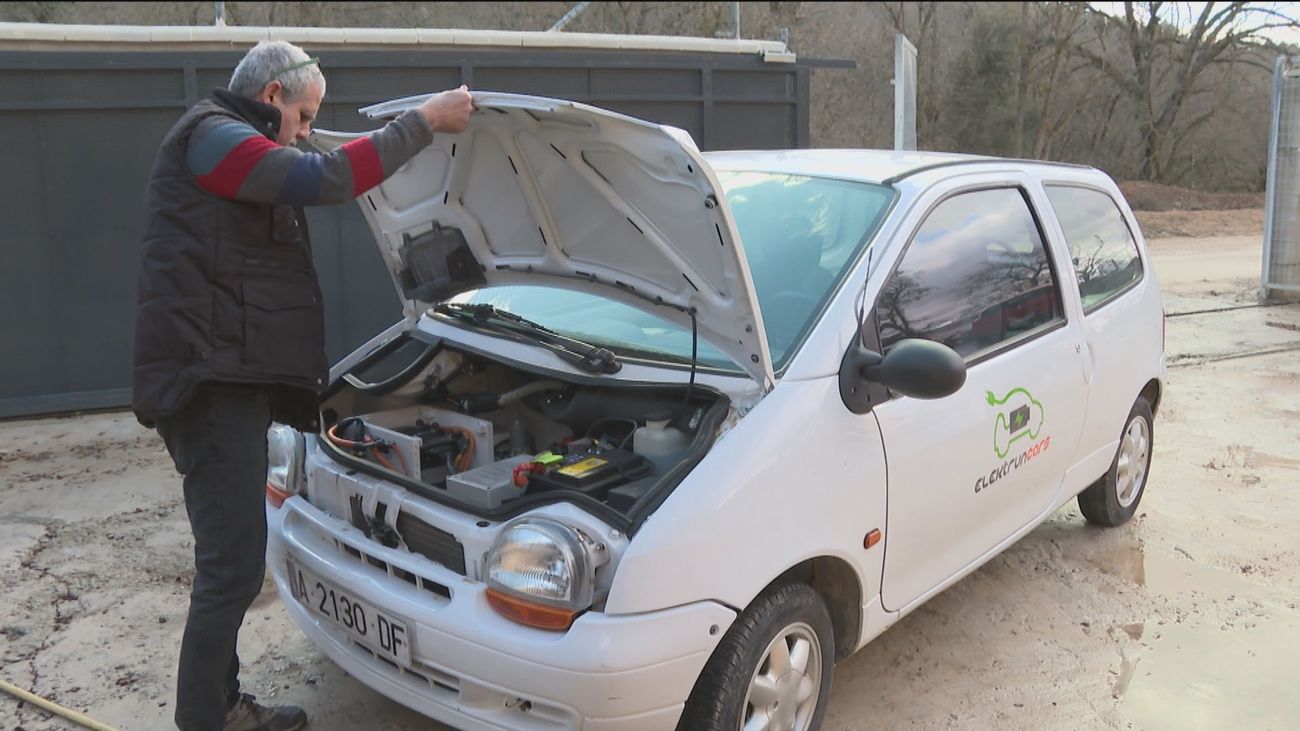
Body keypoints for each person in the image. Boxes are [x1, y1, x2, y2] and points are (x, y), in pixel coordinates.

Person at [131, 40, 474, 731]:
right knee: (229, 568)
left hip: (223, 379)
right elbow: (326, 179)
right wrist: (425, 122)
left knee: (230, 559)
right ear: (271, 98)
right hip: (209, 386)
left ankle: (219, 705)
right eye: (305, 115)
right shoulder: (214, 138)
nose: (308, 130)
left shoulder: (227, 142)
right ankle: (208, 717)